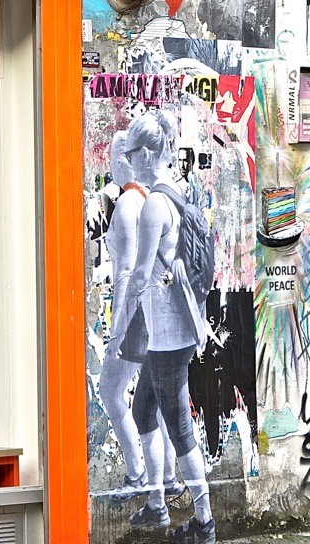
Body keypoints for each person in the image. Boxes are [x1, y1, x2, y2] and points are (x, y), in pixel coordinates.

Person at [123, 110, 216, 543]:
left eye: (131, 153)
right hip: (172, 330)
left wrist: (120, 322)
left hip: (167, 334)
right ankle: (158, 505)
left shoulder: (152, 206)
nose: (128, 161)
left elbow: (142, 274)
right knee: (143, 410)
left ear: (147, 153)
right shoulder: (176, 192)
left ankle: (204, 521)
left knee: (178, 426)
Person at [100, 131, 183, 503]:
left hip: (135, 317)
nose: (110, 164)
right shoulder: (151, 200)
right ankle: (167, 477)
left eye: (113, 157)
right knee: (153, 398)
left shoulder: (127, 205)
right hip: (157, 316)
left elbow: (126, 273)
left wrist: (116, 331)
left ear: (124, 160)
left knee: (110, 391)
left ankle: (136, 473)